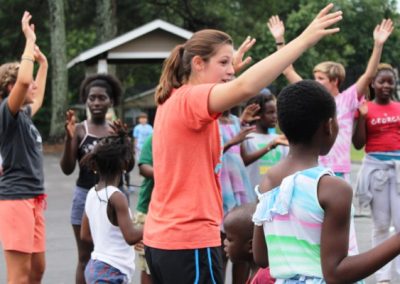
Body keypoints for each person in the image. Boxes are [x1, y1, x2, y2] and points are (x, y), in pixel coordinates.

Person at [143, 4, 343, 283]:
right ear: (198, 64)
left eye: (230, 63)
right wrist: (304, 40)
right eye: (222, 62)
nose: (230, 70)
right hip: (188, 241)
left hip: (163, 240)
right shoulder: (190, 99)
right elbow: (245, 88)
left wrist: (225, 72)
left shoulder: (174, 100)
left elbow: (232, 89)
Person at [252, 79, 400, 283]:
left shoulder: (267, 182)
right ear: (329, 126)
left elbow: (261, 257)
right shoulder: (332, 188)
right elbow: (336, 273)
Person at [267, 15, 393, 180]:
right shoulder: (313, 95)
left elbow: (369, 75)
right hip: (313, 169)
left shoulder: (348, 99)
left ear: (335, 80)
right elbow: (287, 70)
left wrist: (378, 44)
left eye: (320, 78)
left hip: (339, 170)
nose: (315, 81)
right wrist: (279, 39)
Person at [59, 73, 124, 284]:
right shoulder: (79, 130)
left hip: (113, 200)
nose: (96, 102)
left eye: (101, 98)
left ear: (111, 101)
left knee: (111, 257)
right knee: (85, 257)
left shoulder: (115, 130)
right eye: (91, 98)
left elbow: (128, 166)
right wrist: (70, 140)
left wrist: (123, 140)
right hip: (84, 199)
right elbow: (67, 169)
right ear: (86, 101)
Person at [0, 11, 48, 284]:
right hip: (16, 199)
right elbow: (23, 81)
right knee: (19, 276)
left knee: (37, 270)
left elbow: (37, 94)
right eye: (26, 83)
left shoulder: (25, 116)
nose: (33, 85)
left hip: (34, 198)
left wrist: (44, 64)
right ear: (10, 88)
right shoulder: (7, 114)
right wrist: (29, 40)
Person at [353, 64, 400, 284]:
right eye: (382, 81)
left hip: (398, 169)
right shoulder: (365, 108)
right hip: (376, 170)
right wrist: (361, 118)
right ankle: (383, 277)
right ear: (373, 83)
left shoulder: (399, 108)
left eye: (390, 81)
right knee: (381, 224)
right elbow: (359, 143)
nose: (386, 86)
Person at [80, 124, 142, 284]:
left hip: (95, 267)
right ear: (123, 165)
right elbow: (131, 237)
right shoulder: (116, 197)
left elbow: (85, 235)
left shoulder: (92, 193)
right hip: (111, 272)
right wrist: (157, 223)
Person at [242, 90, 289, 190]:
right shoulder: (246, 138)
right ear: (257, 114)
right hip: (252, 196)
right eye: (270, 112)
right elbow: (244, 161)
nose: (275, 116)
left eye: (276, 112)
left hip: (275, 197)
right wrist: (271, 145)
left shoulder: (279, 139)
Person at [223, 203, 275, 284]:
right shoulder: (256, 273)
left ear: (251, 246)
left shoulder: (265, 278)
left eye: (229, 239)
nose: (224, 242)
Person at [133, 134, 154, 284]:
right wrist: (172, 175)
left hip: (180, 213)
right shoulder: (154, 138)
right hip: (149, 210)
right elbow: (143, 167)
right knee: (148, 266)